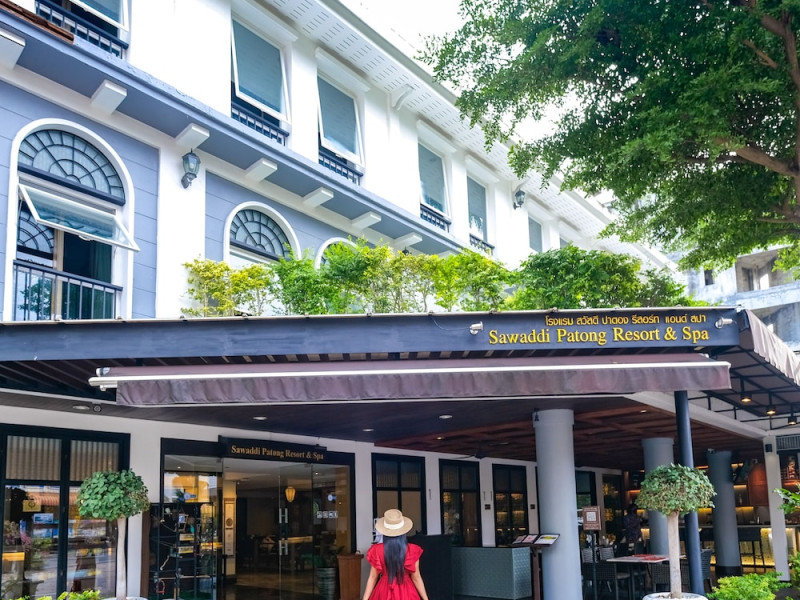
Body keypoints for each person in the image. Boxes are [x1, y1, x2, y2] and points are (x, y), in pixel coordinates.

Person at [362, 509, 430, 600]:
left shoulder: (377, 550)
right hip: (406, 591)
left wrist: (365, 599)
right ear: (403, 531)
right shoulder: (412, 550)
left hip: (383, 591)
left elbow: (373, 577)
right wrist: (426, 599)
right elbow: (416, 578)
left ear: (385, 531)